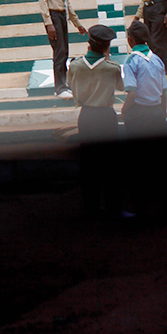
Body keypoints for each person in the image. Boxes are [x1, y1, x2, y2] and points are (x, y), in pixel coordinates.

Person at [68, 24, 125, 217]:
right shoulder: (112, 68)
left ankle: (91, 207)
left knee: (88, 164)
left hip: (86, 116)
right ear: (107, 47)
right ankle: (114, 208)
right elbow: (121, 86)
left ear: (89, 44)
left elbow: (69, 83)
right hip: (106, 116)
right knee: (111, 164)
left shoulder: (75, 65)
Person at [122, 19, 167, 219]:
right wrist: (162, 114)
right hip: (156, 114)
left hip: (138, 116)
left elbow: (132, 93)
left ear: (130, 40)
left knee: (138, 165)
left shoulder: (131, 62)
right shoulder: (158, 60)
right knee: (160, 163)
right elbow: (164, 93)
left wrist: (124, 111)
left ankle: (141, 211)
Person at [36, 0, 87, 98]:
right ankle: (59, 88)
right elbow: (43, 0)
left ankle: (64, 84)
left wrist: (77, 23)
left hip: (62, 15)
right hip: (53, 16)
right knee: (59, 52)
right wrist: (48, 23)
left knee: (64, 52)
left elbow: (66, 0)